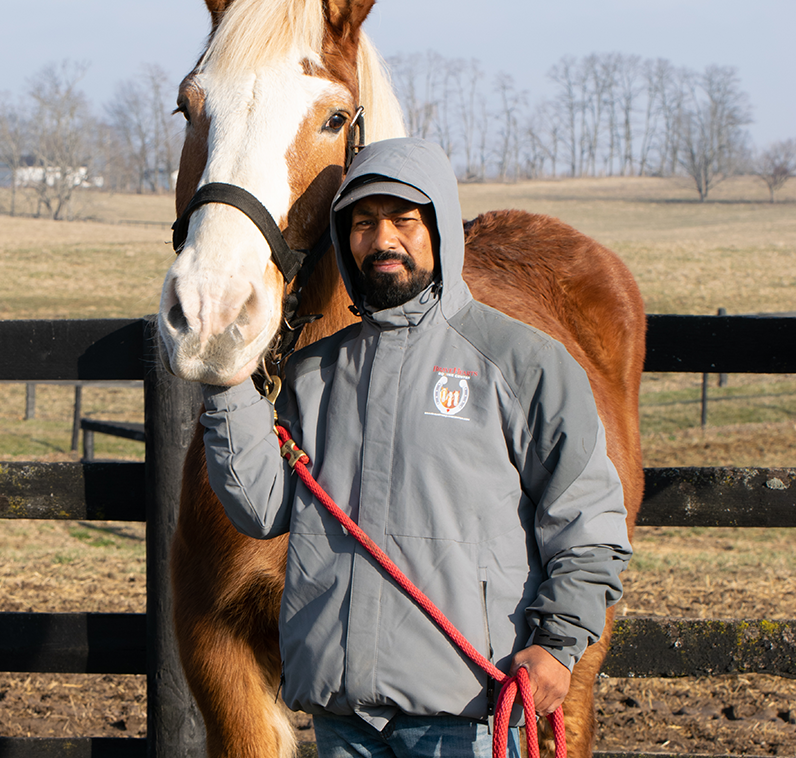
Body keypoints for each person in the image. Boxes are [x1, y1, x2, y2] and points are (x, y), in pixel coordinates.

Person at [200, 137, 632, 758]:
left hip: (467, 716)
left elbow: (588, 522)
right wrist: (229, 381)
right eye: (364, 223)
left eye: (405, 220)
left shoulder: (523, 363)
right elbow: (264, 509)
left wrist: (559, 642)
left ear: (439, 230)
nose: (383, 240)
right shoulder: (314, 373)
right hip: (344, 715)